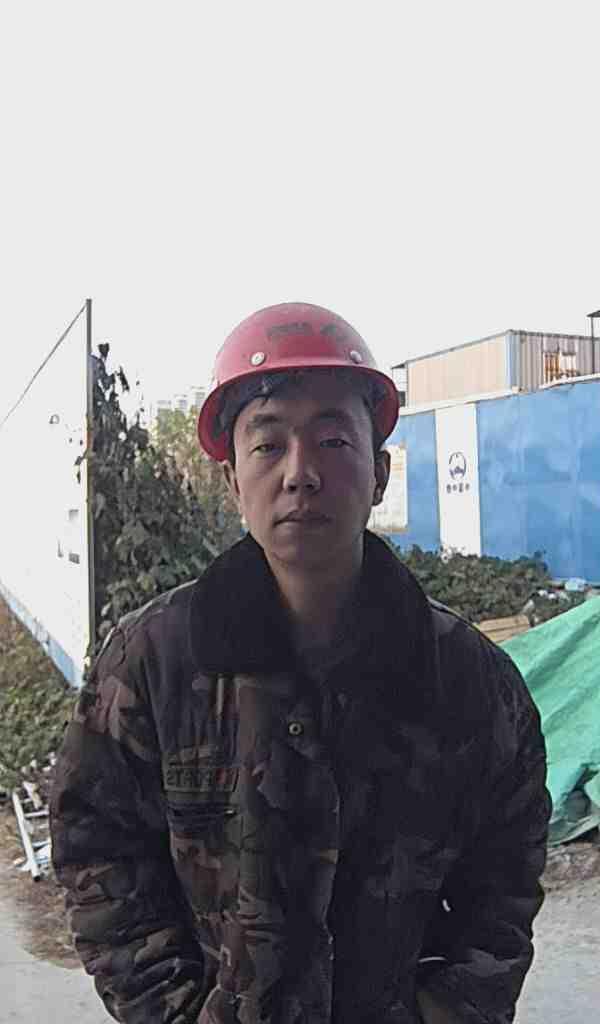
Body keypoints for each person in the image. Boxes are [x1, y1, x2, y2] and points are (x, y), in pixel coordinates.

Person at [50, 302, 551, 1024]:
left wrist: (445, 1010)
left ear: (379, 474)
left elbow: (505, 881)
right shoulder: (150, 666)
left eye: (333, 440)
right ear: (232, 481)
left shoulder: (469, 682)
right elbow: (98, 849)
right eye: (267, 444)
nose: (300, 473)